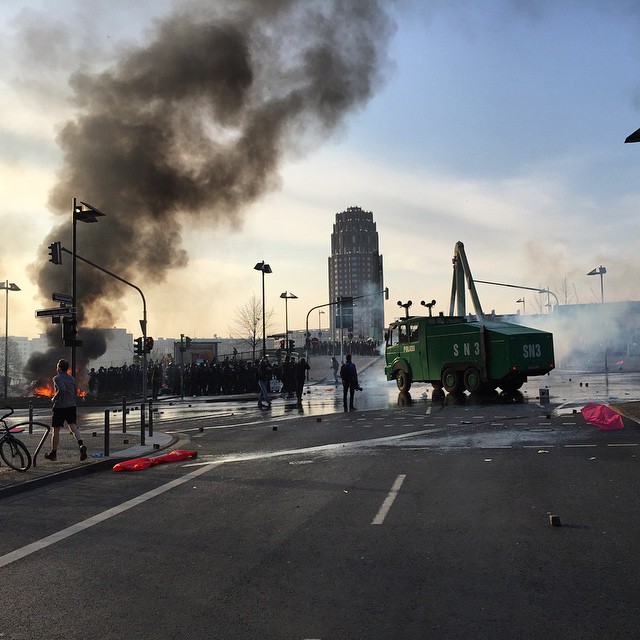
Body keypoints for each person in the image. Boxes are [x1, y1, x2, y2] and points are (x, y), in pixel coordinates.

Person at [44, 359, 87, 461]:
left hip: (60, 407)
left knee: (56, 430)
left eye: (57, 366)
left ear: (59, 367)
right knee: (73, 427)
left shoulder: (57, 378)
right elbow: (75, 391)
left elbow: (62, 389)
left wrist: (55, 398)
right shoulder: (71, 379)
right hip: (71, 406)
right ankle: (81, 445)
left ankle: (53, 453)